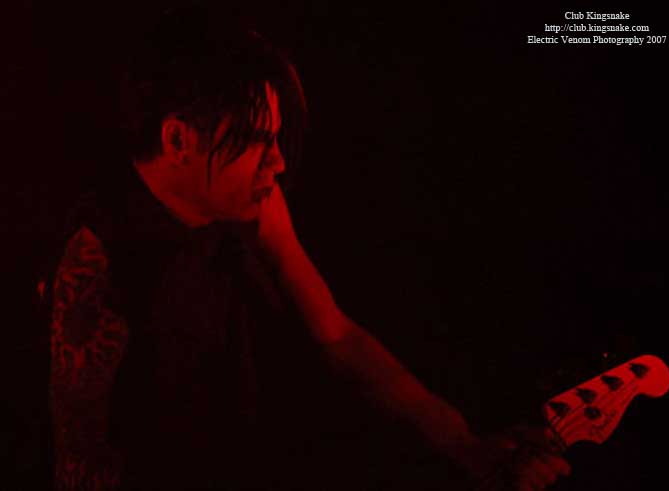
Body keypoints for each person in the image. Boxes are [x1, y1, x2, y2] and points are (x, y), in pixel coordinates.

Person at [47, 5, 571, 490]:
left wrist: (462, 442)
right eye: (256, 141)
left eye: (276, 139)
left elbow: (336, 335)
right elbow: (81, 462)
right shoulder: (95, 261)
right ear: (178, 140)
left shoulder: (255, 205)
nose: (277, 162)